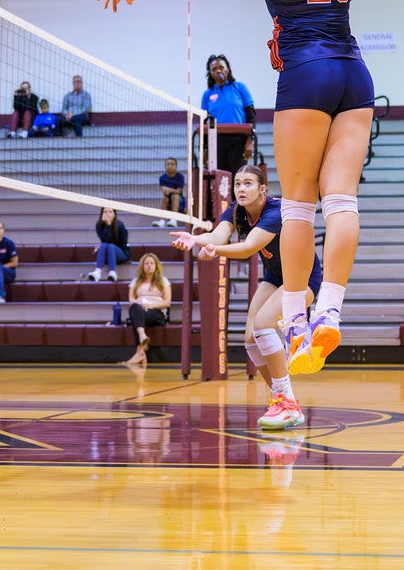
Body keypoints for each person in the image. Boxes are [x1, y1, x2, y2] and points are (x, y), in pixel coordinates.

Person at [100, 0, 404, 378]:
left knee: (300, 204)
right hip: (355, 76)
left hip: (305, 77)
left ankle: (300, 319)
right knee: (343, 202)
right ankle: (330, 309)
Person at [173, 164, 323, 429]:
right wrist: (196, 240)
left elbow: (247, 248)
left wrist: (214, 251)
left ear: (262, 189)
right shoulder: (236, 210)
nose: (241, 189)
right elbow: (219, 234)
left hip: (303, 276)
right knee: (250, 338)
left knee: (264, 324)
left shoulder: (275, 212)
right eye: (238, 184)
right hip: (277, 276)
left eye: (248, 184)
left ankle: (287, 402)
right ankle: (282, 399)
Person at [203, 54, 256, 174]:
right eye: (214, 69)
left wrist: (250, 140)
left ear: (228, 69)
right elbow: (204, 124)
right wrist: (204, 149)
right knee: (220, 180)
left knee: (238, 176)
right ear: (210, 73)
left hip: (239, 140)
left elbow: (251, 115)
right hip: (216, 141)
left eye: (221, 67)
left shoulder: (240, 88)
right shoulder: (207, 94)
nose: (218, 71)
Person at [121, 253, 174, 366]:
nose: (149, 265)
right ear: (142, 266)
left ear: (156, 265)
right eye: (146, 263)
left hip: (156, 311)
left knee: (136, 317)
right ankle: (142, 337)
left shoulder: (163, 281)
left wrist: (151, 306)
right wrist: (140, 304)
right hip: (140, 308)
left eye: (151, 263)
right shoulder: (136, 281)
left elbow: (167, 302)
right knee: (135, 308)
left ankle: (139, 351)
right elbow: (131, 299)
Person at [86, 207, 130, 281]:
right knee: (103, 245)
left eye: (110, 212)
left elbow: (119, 243)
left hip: (121, 253)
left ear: (114, 214)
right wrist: (107, 226)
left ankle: (112, 272)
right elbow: (104, 241)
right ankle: (97, 272)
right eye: (105, 212)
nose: (108, 214)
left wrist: (109, 225)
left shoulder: (120, 225)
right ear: (102, 214)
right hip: (108, 253)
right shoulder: (99, 225)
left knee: (111, 246)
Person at [153, 158, 186, 227]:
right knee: (165, 198)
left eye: (172, 164)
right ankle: (162, 221)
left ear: (176, 166)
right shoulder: (162, 178)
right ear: (165, 167)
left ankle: (174, 219)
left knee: (175, 196)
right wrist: (170, 190)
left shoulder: (180, 177)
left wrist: (169, 190)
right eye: (168, 164)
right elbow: (164, 191)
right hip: (168, 199)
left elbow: (179, 191)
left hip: (180, 200)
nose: (170, 166)